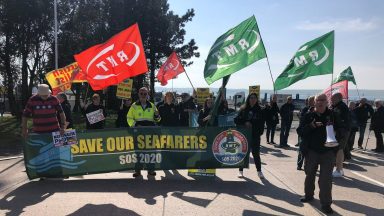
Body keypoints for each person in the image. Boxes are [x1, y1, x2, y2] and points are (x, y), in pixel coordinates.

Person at [297, 93, 338, 214]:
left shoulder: (333, 115)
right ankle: (309, 195)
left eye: (323, 100)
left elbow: (343, 130)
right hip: (311, 151)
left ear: (327, 102)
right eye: (318, 100)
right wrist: (311, 126)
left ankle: (326, 204)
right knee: (309, 175)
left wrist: (336, 139)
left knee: (325, 179)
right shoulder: (308, 116)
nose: (320, 102)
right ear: (314, 102)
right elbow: (300, 131)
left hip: (328, 152)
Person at [127, 87, 161, 177]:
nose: (143, 95)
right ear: (138, 94)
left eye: (145, 94)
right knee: (138, 152)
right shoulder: (134, 105)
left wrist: (157, 116)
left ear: (147, 95)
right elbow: (129, 118)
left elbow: (158, 119)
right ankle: (138, 171)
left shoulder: (152, 106)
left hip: (150, 133)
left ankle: (151, 170)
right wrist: (135, 125)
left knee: (151, 152)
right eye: (141, 93)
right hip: (138, 133)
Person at [234, 93, 266, 179]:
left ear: (257, 99)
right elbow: (236, 120)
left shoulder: (260, 110)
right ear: (248, 99)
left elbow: (262, 123)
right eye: (251, 98)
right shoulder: (243, 109)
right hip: (244, 135)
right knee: (243, 153)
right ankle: (240, 171)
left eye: (254, 98)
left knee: (256, 154)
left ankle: (259, 171)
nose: (253, 99)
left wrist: (259, 131)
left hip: (255, 135)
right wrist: (245, 122)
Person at [330, 93, 350, 178]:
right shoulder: (337, 106)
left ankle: (338, 170)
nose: (331, 100)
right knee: (339, 149)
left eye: (333, 98)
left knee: (339, 149)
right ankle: (340, 169)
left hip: (342, 131)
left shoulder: (341, 107)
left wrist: (337, 131)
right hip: (341, 130)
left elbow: (340, 120)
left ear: (338, 98)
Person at [297, 96, 315, 170]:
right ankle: (299, 164)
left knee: (311, 153)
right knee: (302, 150)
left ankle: (310, 166)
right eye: (311, 101)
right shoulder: (305, 110)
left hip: (313, 136)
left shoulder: (317, 111)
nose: (312, 102)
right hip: (305, 134)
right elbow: (302, 120)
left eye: (313, 101)